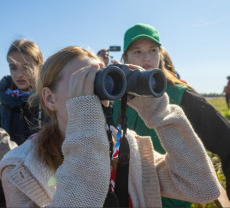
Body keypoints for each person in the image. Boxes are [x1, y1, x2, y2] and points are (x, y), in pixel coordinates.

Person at [0, 46, 220, 207]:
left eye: (100, 82)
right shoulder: (20, 169)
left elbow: (202, 187)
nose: (95, 94)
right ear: (49, 99)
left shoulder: (128, 148)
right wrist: (86, 128)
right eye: (83, 84)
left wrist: (159, 112)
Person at [112, 23, 230, 207]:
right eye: (137, 52)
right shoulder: (115, 97)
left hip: (169, 202)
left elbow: (226, 141)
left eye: (152, 50)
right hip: (125, 199)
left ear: (161, 54)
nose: (146, 58)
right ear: (125, 57)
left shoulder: (180, 95)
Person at [0, 39, 44, 146]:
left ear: (40, 66)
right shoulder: (3, 97)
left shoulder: (48, 98)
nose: (19, 74)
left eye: (26, 67)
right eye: (13, 67)